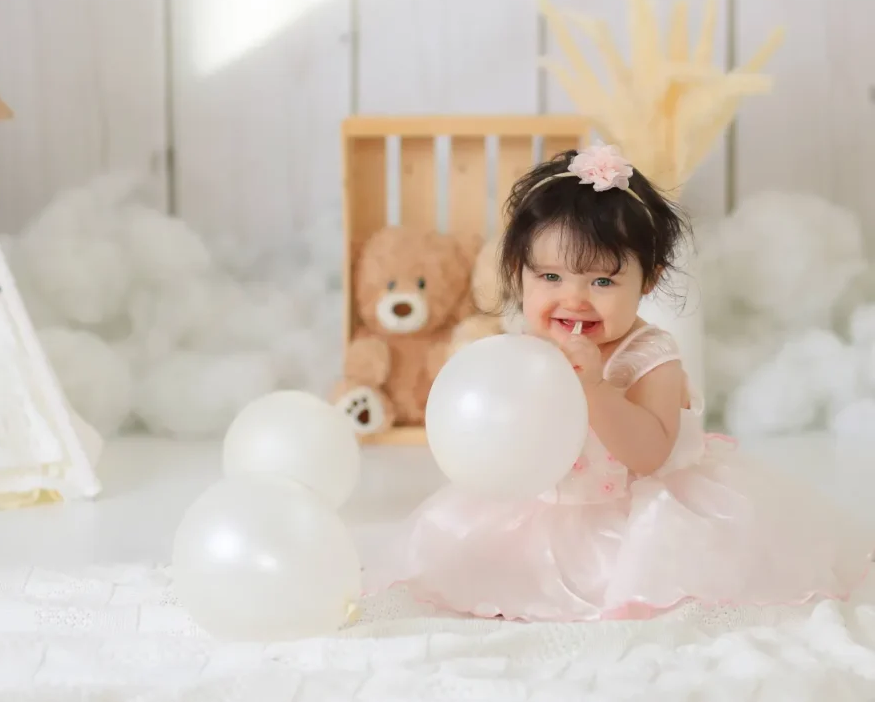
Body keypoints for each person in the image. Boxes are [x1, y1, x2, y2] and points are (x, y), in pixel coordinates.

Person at [367, 143, 872, 621]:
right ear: (519, 274)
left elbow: (650, 453)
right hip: (542, 507)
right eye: (550, 278)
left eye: (603, 281)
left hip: (636, 515)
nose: (574, 299)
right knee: (471, 564)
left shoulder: (650, 355)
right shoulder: (523, 349)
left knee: (656, 581)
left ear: (647, 281)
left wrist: (594, 388)